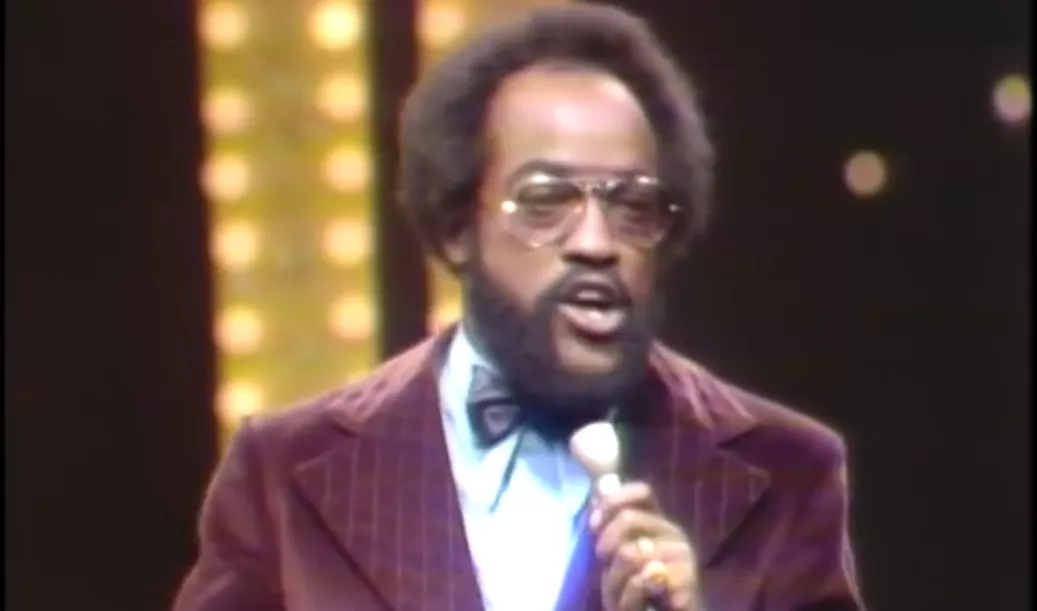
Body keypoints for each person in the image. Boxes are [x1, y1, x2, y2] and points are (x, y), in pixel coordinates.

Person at [173, 4, 865, 611]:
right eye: (545, 201)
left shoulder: (785, 471)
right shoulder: (283, 470)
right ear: (457, 225)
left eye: (632, 207)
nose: (596, 243)